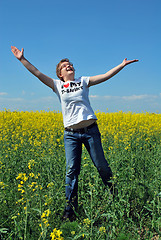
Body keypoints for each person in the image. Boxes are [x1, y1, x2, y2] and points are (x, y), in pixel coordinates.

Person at [11, 46, 138, 221]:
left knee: (101, 166)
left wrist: (121, 65)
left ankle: (115, 196)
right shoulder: (57, 85)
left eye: (70, 64)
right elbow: (37, 73)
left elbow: (105, 76)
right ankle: (69, 210)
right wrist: (22, 59)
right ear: (60, 74)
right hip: (70, 134)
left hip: (91, 131)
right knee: (71, 171)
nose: (69, 66)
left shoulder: (83, 81)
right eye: (65, 66)